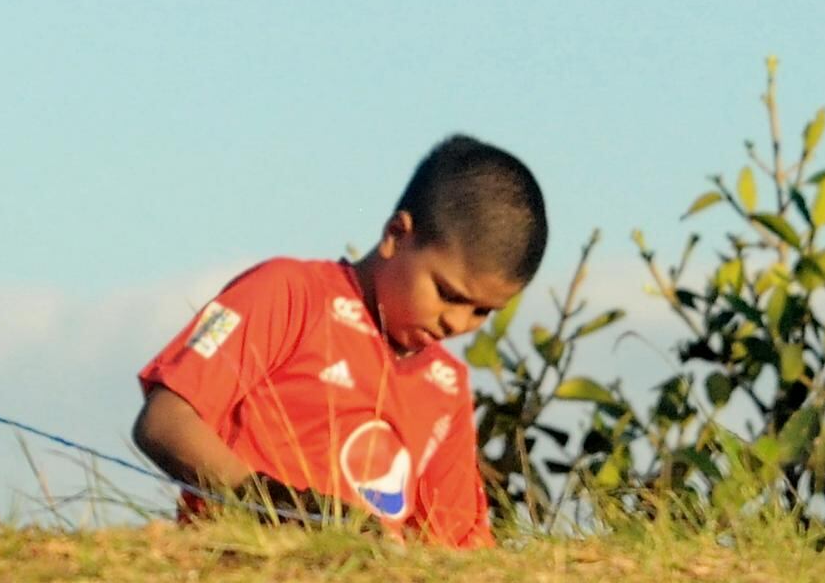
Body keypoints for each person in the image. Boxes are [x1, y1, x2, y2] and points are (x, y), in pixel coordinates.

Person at [129, 135, 546, 548]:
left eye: (482, 311)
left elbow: (457, 547)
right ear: (396, 235)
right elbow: (165, 423)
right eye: (447, 293)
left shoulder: (447, 385)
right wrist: (279, 506)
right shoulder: (288, 294)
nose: (457, 322)